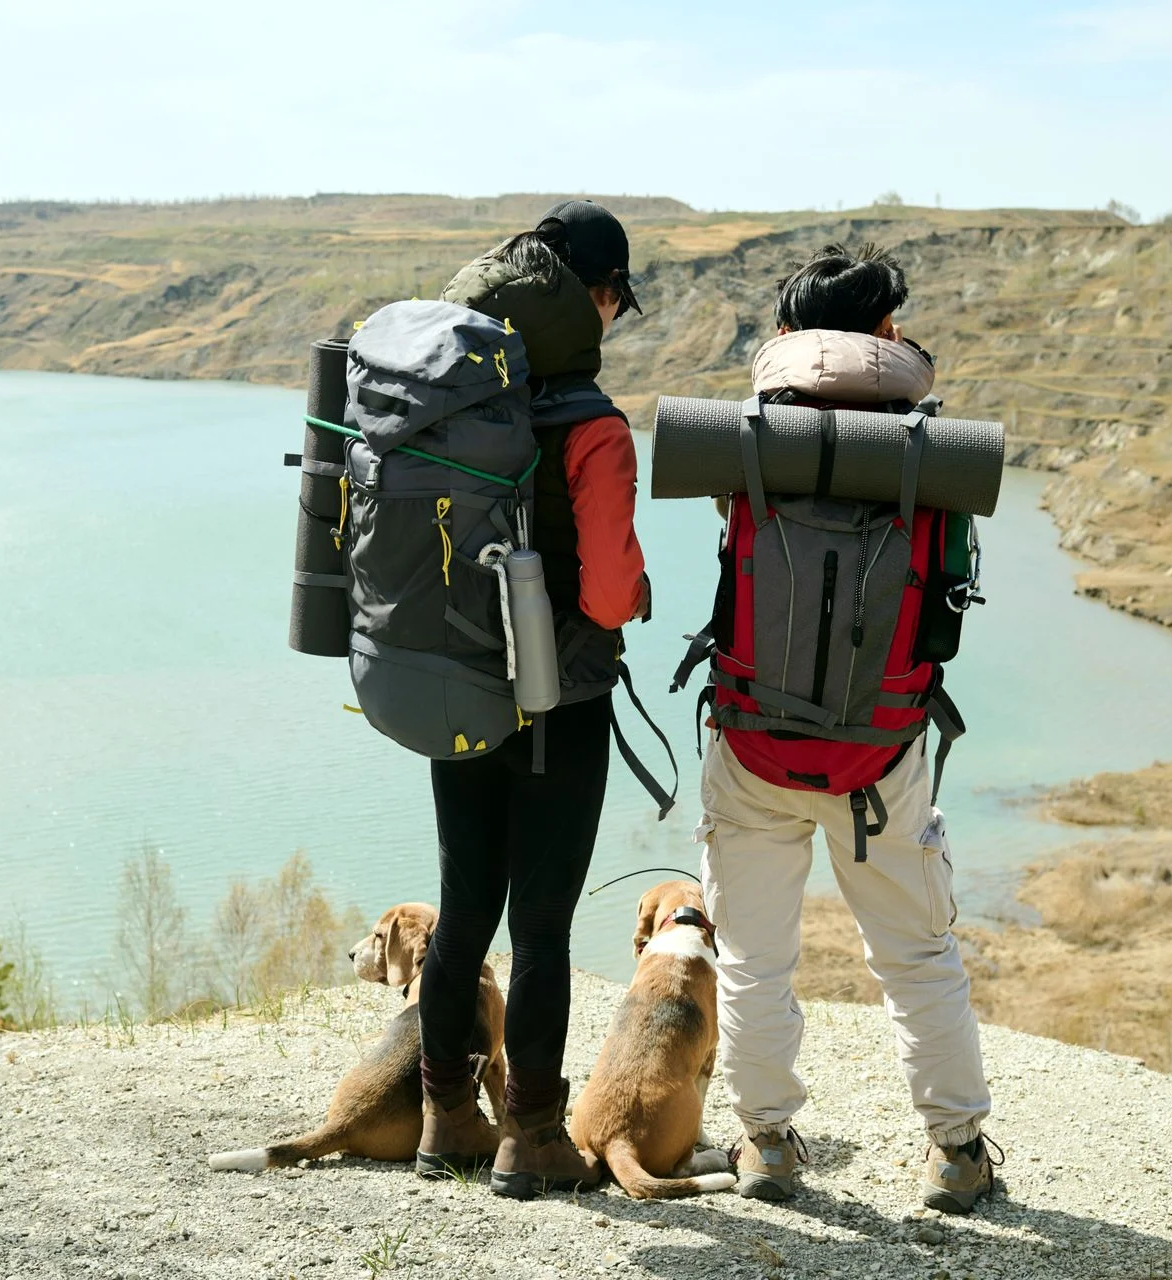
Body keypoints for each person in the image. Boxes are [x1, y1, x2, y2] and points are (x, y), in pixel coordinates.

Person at [697, 243, 1001, 1213]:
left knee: (752, 955)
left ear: (786, 335)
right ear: (890, 333)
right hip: (879, 750)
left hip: (751, 739)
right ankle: (955, 1148)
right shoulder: (934, 452)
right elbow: (945, 610)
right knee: (916, 952)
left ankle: (766, 1143)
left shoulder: (748, 439)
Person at [411, 201, 651, 1201]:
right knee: (541, 924)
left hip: (454, 684)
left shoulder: (453, 407)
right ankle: (532, 1138)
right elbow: (603, 594)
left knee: (465, 904)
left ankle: (445, 1117)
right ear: (593, 300)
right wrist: (632, 591)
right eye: (614, 301)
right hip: (561, 707)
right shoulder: (593, 428)